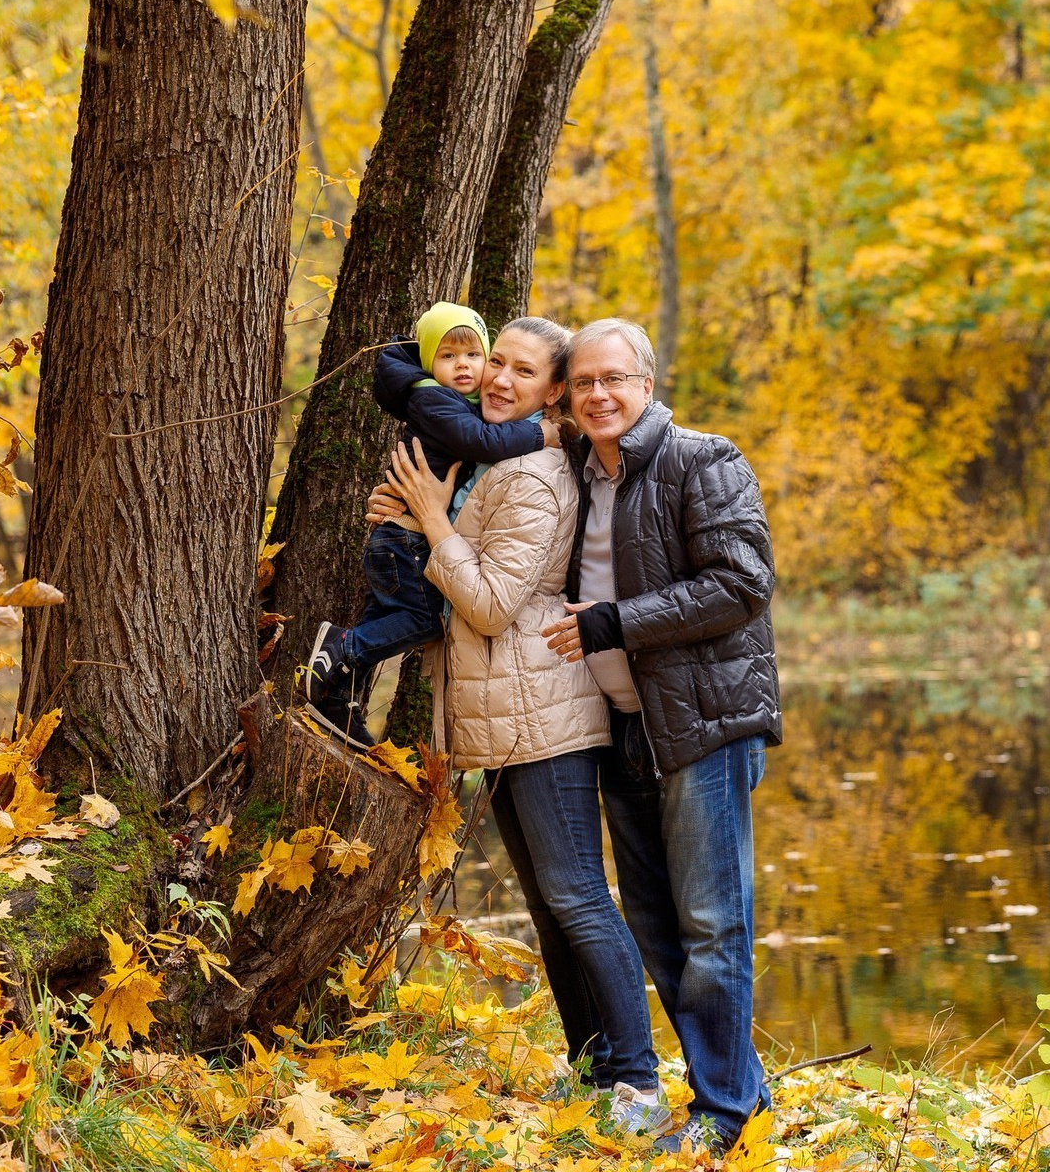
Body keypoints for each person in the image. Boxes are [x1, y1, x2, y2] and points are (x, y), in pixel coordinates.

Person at [382, 316, 672, 1137]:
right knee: (552, 907)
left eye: (524, 371)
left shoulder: (538, 476)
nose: (500, 379)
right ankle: (591, 1074)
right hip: (505, 717)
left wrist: (435, 522)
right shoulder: (496, 462)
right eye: (494, 363)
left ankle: (638, 1084)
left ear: (555, 393)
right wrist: (416, 519)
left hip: (545, 712)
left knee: (580, 898)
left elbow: (489, 603)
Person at [541, 317, 782, 1157]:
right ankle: (735, 1083)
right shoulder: (574, 470)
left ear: (647, 383)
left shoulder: (701, 459)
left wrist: (617, 622)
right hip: (621, 726)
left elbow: (743, 584)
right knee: (650, 916)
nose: (599, 395)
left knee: (713, 922)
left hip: (704, 722)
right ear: (567, 397)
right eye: (583, 383)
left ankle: (721, 1112)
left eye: (615, 378)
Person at [305, 301, 556, 748]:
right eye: (449, 357)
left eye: (473, 356)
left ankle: (336, 694)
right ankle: (342, 648)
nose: (467, 367)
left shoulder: (463, 404)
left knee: (387, 618)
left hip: (411, 532)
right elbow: (480, 441)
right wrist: (543, 434)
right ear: (427, 363)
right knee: (426, 620)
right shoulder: (435, 398)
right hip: (407, 537)